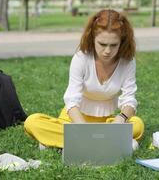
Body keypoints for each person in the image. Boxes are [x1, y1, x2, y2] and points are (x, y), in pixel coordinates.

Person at [24, 9, 145, 150]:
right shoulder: (81, 58)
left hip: (107, 122)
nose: (107, 51)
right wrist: (84, 130)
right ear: (92, 38)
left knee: (138, 125)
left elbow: (129, 99)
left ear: (122, 42)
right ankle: (108, 143)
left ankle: (61, 142)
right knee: (32, 122)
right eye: (102, 44)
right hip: (76, 119)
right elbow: (71, 100)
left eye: (113, 45)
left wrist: (121, 119)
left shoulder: (127, 62)